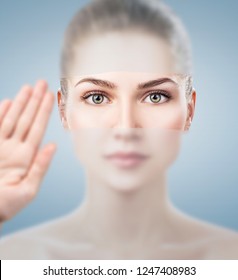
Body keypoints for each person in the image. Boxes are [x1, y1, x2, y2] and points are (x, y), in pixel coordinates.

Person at [0, 0, 238, 259]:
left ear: (189, 110)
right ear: (63, 110)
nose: (126, 127)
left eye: (156, 96)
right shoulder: (14, 258)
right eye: (97, 97)